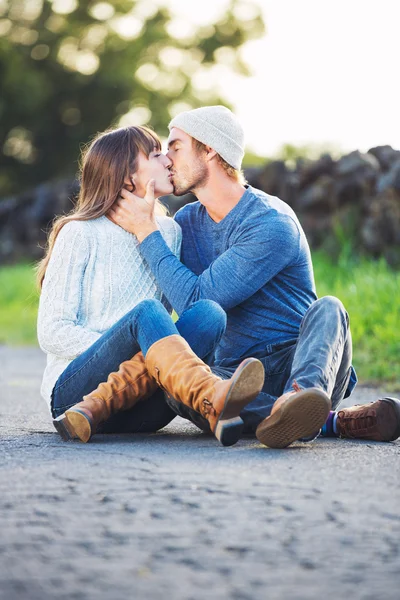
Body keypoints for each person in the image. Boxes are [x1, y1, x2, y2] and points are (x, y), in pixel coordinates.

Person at [108, 106, 400, 448]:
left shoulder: (270, 223)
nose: (167, 159)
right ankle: (319, 421)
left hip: (297, 361)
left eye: (175, 147)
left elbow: (197, 300)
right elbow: (176, 301)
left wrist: (146, 231)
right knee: (178, 386)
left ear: (210, 149)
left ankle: (302, 399)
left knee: (329, 309)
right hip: (232, 379)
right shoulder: (185, 222)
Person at [37, 125, 265, 447]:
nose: (169, 161)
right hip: (73, 397)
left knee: (209, 314)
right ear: (128, 175)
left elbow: (172, 323)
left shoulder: (170, 233)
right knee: (146, 313)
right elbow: (52, 331)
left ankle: (205, 395)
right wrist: (129, 344)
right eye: (156, 154)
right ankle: (210, 393)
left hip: (142, 411)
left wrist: (147, 346)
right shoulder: (81, 233)